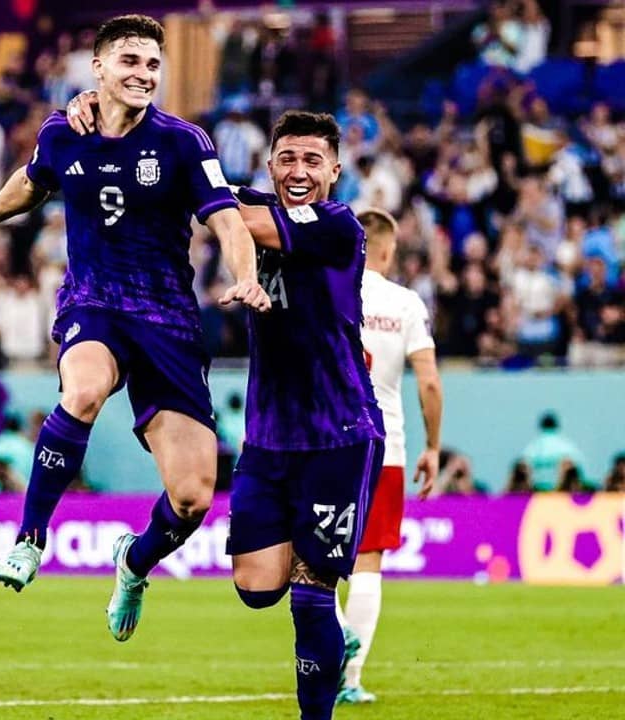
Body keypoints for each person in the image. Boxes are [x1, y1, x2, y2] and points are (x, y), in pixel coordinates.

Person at [0, 14, 269, 643]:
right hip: (94, 301)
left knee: (193, 499)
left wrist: (246, 275)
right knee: (84, 390)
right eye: (130, 61)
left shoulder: (184, 142)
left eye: (152, 64)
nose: (144, 74)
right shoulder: (64, 131)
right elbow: (33, 181)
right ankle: (30, 538)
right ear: (98, 68)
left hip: (168, 321)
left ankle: (133, 563)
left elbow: (227, 219)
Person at [224, 111, 385, 720]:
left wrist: (205, 197)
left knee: (311, 593)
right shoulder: (256, 206)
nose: (299, 171)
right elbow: (207, 192)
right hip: (268, 437)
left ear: (335, 171)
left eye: (313, 160)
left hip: (337, 432)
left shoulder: (338, 224)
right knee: (255, 586)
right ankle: (330, 634)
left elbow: (231, 214)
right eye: (287, 158)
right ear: (269, 165)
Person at [334, 208, 443, 705]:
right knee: (368, 560)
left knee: (302, 556)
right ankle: (350, 679)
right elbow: (429, 382)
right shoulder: (405, 302)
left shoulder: (327, 289)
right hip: (385, 444)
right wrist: (433, 447)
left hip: (324, 440)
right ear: (388, 249)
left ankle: (336, 634)